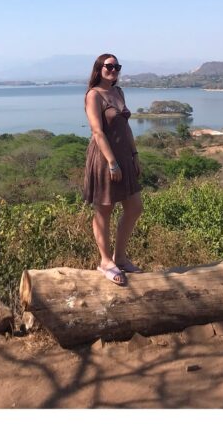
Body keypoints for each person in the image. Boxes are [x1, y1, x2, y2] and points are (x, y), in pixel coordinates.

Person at [83, 53, 143, 285]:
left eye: (117, 66)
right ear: (99, 69)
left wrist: (135, 154)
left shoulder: (118, 92)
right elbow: (97, 132)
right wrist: (111, 162)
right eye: (109, 66)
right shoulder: (93, 95)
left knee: (135, 207)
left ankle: (121, 257)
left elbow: (126, 128)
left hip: (125, 156)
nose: (113, 70)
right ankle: (106, 261)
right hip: (104, 158)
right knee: (104, 210)